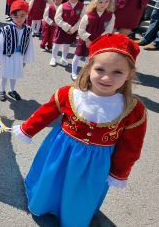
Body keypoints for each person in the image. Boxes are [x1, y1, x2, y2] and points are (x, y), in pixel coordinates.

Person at [12, 33, 147, 227]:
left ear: (129, 75)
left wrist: (119, 172)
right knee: (53, 179)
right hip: (61, 151)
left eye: (118, 72)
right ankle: (44, 204)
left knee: (83, 191)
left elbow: (131, 147)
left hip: (96, 163)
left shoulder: (132, 109)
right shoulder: (69, 94)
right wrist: (27, 129)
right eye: (100, 69)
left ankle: (73, 218)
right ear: (89, 68)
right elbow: (45, 113)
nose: (107, 77)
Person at [0, 0, 34, 102]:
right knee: (4, 74)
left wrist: (25, 59)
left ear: (26, 15)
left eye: (22, 16)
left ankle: (12, 90)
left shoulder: (28, 30)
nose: (19, 19)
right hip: (7, 57)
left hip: (19, 56)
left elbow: (29, 45)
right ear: (11, 16)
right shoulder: (6, 29)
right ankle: (2, 91)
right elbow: (0, 45)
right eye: (16, 16)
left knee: (15, 74)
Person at [71, 0, 115, 80]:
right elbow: (81, 29)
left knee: (90, 58)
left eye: (107, 2)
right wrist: (87, 40)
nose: (104, 4)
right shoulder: (88, 15)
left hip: (99, 41)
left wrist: (97, 41)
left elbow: (109, 29)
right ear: (95, 3)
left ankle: (86, 73)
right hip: (85, 40)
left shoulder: (111, 15)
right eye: (101, 2)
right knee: (77, 55)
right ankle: (73, 72)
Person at [51, 0, 85, 67]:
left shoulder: (82, 6)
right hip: (61, 29)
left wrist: (73, 29)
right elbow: (57, 18)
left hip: (72, 30)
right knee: (56, 44)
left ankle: (63, 58)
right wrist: (66, 26)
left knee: (67, 44)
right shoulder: (63, 6)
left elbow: (82, 19)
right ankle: (53, 58)